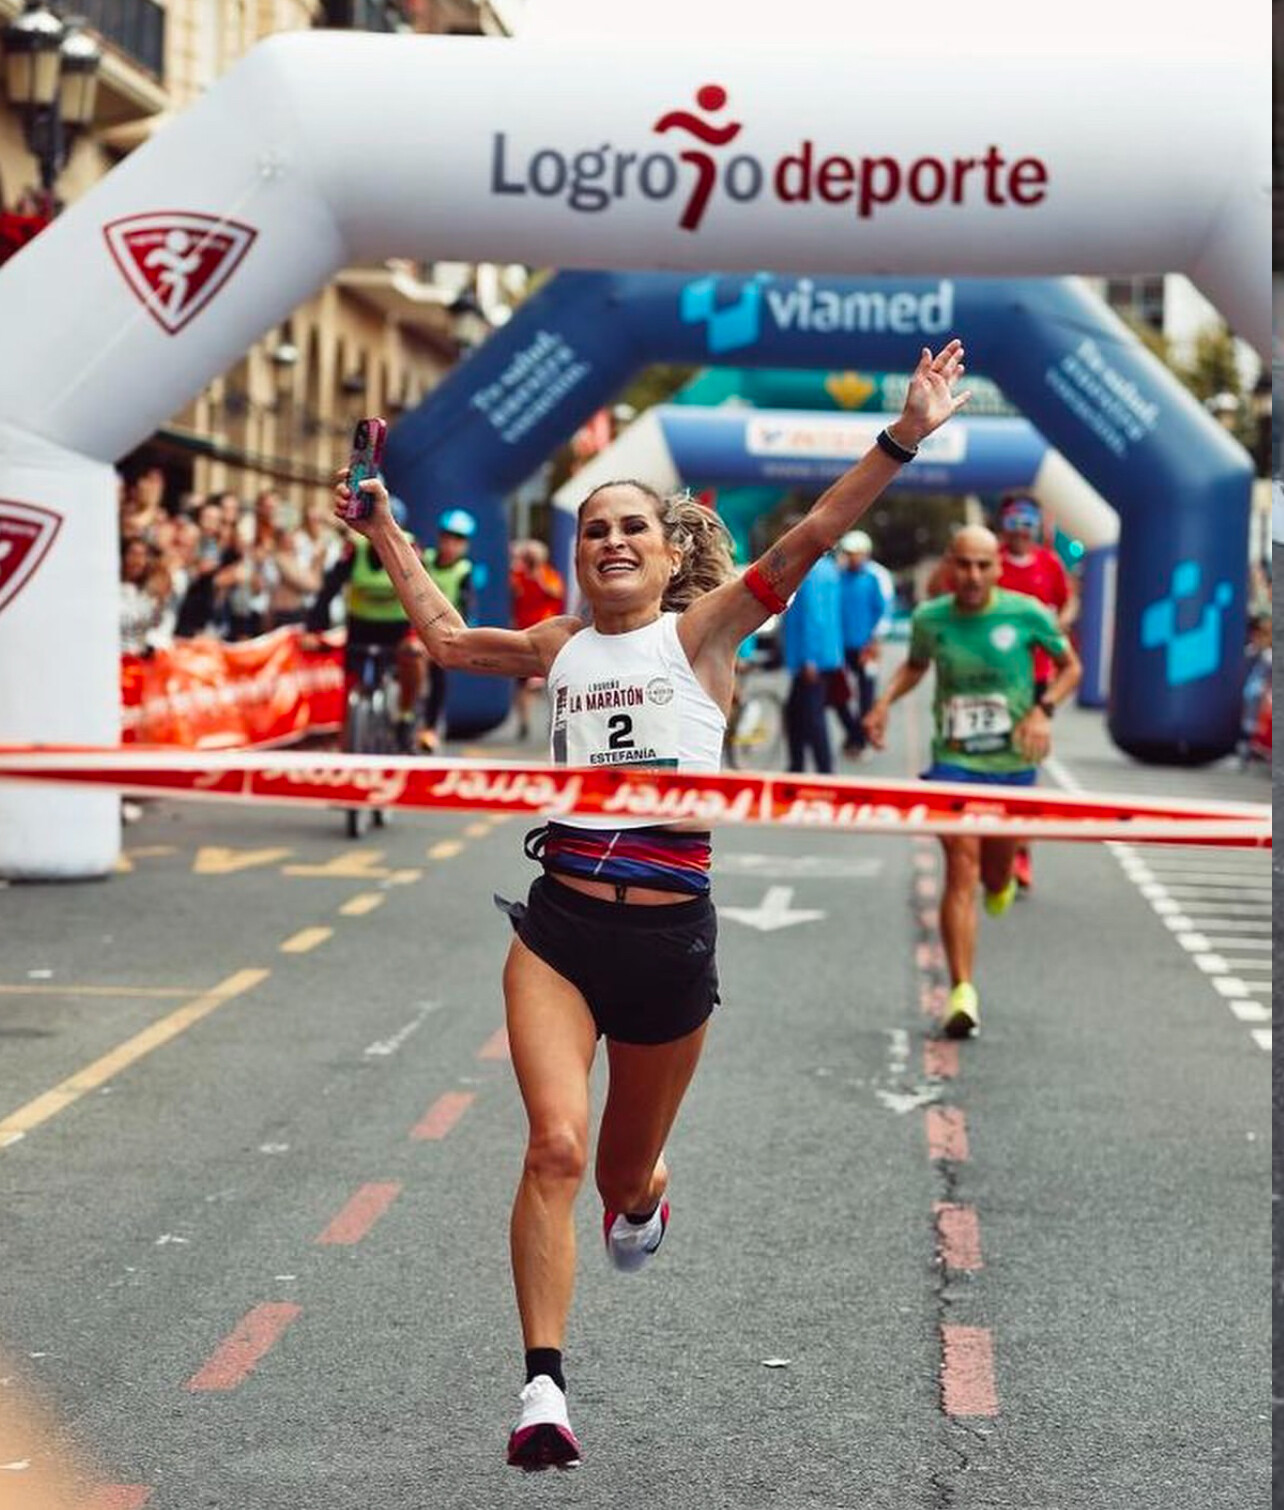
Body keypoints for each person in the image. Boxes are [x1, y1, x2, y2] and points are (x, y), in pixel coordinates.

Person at [333, 340, 969, 1470]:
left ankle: (646, 1199)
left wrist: (905, 435)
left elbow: (814, 533)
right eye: (595, 529)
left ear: (670, 552)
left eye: (633, 526)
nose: (612, 540)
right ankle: (543, 1389)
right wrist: (384, 526)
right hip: (560, 933)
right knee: (554, 1148)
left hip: (668, 944)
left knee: (621, 1175)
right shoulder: (559, 644)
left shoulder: (703, 633)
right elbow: (444, 639)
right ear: (578, 555)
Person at [863, 525, 1081, 1040]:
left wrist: (1043, 711)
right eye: (964, 564)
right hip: (954, 762)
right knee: (961, 867)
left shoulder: (1027, 613)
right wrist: (883, 703)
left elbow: (1070, 668)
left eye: (984, 565)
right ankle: (962, 991)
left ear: (998, 568)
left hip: (1012, 764)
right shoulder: (930, 618)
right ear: (949, 565)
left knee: (994, 874)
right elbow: (915, 666)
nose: (973, 576)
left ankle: (1002, 881)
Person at [308, 495, 427, 750]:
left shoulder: (410, 547)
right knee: (349, 684)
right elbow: (330, 587)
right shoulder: (355, 548)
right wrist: (314, 627)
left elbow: (424, 593)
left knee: (413, 656)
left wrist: (423, 632)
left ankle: (405, 716)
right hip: (361, 627)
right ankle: (348, 738)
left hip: (398, 628)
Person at [419, 507, 478, 751]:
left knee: (438, 675)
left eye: (458, 540)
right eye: (447, 537)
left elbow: (466, 605)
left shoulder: (464, 571)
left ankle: (430, 727)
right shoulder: (426, 560)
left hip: (441, 634)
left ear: (465, 545)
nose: (451, 545)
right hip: (415, 627)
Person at [781, 549, 845, 773]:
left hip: (810, 659)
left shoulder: (809, 572)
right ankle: (798, 768)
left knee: (812, 719)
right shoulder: (829, 569)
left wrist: (810, 658)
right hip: (824, 653)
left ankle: (823, 773)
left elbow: (813, 616)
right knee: (797, 714)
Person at [834, 529, 891, 757]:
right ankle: (854, 734)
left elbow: (885, 612)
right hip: (841, 648)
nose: (851, 557)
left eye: (855, 553)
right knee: (838, 695)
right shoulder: (838, 576)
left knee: (866, 697)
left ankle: (861, 741)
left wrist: (875, 641)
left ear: (865, 553)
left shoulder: (877, 576)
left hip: (867, 647)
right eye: (848, 553)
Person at [509, 538, 566, 740]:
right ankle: (523, 722)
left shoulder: (549, 575)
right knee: (521, 682)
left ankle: (556, 720)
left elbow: (556, 592)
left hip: (546, 635)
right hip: (524, 634)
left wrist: (538, 575)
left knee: (553, 680)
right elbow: (511, 590)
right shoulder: (518, 575)